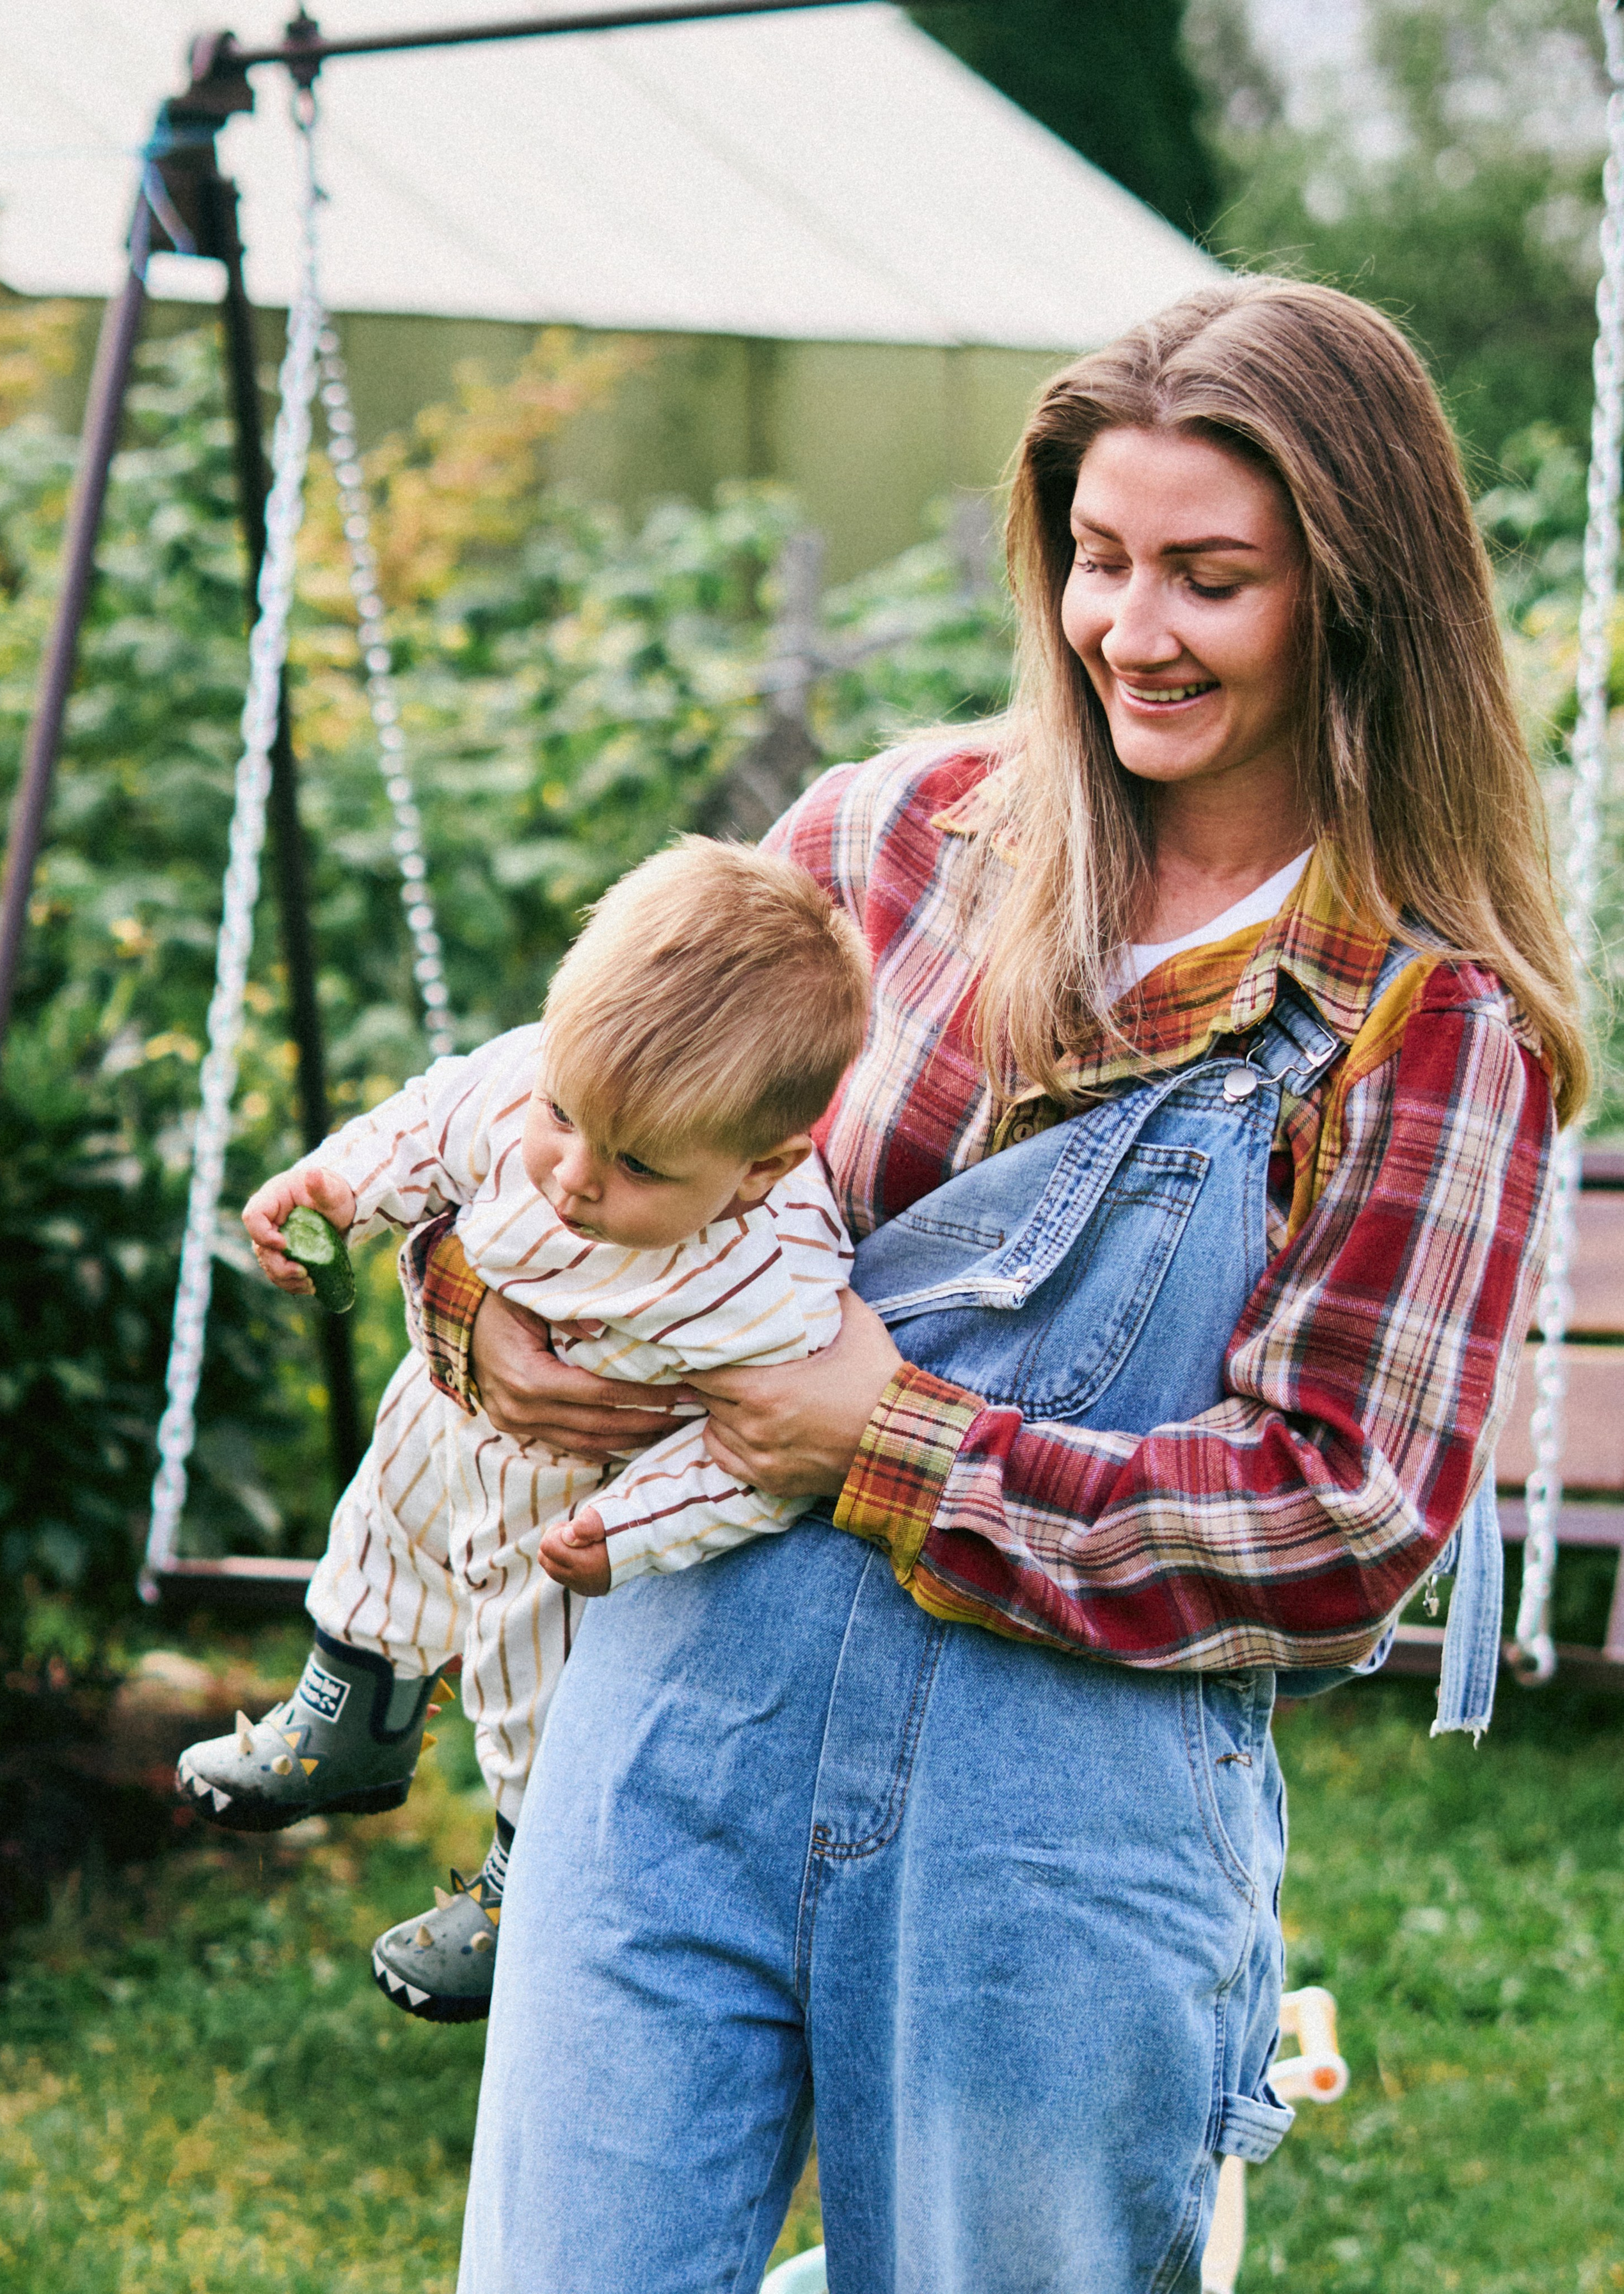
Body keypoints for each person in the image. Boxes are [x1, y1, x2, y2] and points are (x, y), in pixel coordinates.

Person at [441, 277, 1581, 2293]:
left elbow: (1340, 1521)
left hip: (1050, 1842)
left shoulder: (1421, 1025)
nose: (1130, 629)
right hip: (678, 1745)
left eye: (1212, 579)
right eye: (1099, 557)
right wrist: (481, 1299)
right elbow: (582, 1119)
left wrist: (889, 1444)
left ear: (1357, 598)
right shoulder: (885, 841)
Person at [175, 838, 866, 2023]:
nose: (572, 1174)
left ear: (763, 1168)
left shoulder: (775, 1284)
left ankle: (527, 1884)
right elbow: (429, 1124)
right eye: (562, 1115)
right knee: (386, 1521)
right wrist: (343, 1190)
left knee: (534, 1688)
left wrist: (634, 1529)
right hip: (459, 1401)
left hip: (586, 1502)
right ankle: (353, 1712)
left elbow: (764, 1456)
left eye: (635, 1164)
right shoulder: (534, 1086)